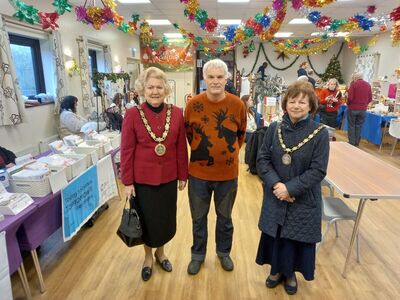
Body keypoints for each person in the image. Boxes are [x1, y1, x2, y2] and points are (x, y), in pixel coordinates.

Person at [256, 80, 329, 295]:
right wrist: (277, 186)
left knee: (293, 239)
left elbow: (318, 170)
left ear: (311, 106)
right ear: (285, 103)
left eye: (302, 102)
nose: (296, 106)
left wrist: (291, 189)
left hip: (303, 198)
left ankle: (289, 273)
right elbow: (263, 160)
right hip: (275, 193)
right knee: (277, 235)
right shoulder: (274, 128)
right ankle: (276, 270)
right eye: (292, 101)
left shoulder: (320, 133)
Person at [120, 67, 188, 282]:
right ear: (143, 89)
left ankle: (161, 253)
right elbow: (127, 150)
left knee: (164, 219)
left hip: (168, 178)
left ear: (165, 89)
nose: (155, 91)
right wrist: (127, 181)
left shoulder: (176, 112)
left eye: (159, 87)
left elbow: (180, 147)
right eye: (150, 87)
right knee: (147, 220)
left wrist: (183, 175)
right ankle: (148, 257)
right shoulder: (132, 114)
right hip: (142, 181)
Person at [184, 59, 247, 275]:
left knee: (225, 218)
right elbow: (189, 134)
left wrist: (227, 155)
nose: (215, 81)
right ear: (204, 78)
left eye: (220, 77)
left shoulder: (238, 105)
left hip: (228, 176)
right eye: (211, 77)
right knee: (198, 218)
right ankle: (197, 255)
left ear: (227, 79)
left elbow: (241, 135)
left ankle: (223, 253)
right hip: (198, 175)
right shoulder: (192, 104)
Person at [346, 73, 372, 146]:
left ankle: (351, 142)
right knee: (359, 126)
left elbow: (350, 98)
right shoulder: (368, 85)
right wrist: (364, 104)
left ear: (355, 78)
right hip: (363, 109)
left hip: (353, 108)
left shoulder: (353, 84)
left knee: (351, 125)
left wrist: (347, 103)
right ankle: (356, 142)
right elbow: (370, 98)